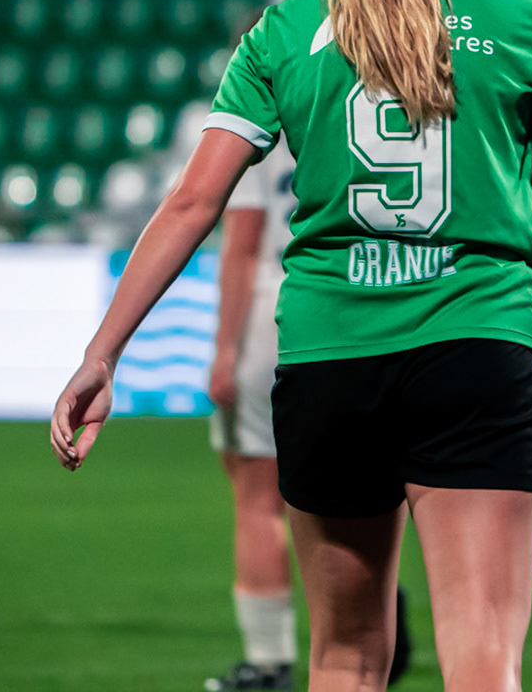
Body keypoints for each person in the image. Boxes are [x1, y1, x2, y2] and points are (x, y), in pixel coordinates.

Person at [53, 0, 532, 692]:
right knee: (482, 653)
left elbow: (193, 202)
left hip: (327, 359)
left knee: (346, 658)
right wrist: (523, 162)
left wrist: (101, 354)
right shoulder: (517, 14)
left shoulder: (283, 30)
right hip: (471, 344)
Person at [204, 109, 413, 691]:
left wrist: (224, 349)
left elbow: (243, 246)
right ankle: (380, 601)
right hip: (360, 307)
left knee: (257, 498)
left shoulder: (255, 127)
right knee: (363, 490)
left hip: (275, 310)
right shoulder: (347, 106)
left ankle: (268, 659)